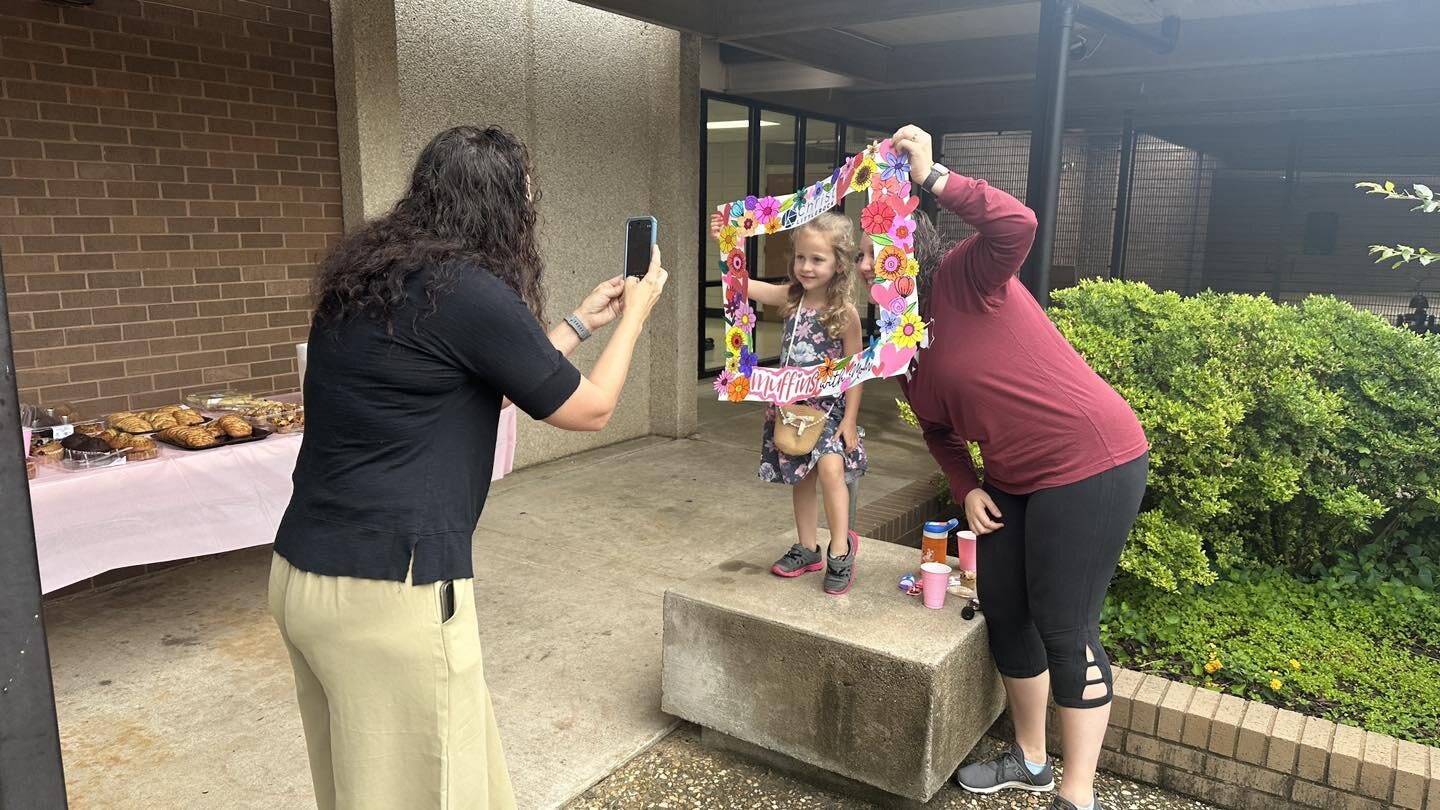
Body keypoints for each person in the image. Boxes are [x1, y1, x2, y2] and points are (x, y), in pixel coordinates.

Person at [268, 125, 668, 810]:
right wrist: (638, 314)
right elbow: (590, 409)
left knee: (385, 787)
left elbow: (492, 380)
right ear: (506, 208)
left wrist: (579, 323)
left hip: (304, 577)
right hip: (392, 592)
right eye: (529, 196)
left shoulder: (369, 283)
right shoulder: (470, 293)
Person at [884, 124, 1149, 810]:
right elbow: (938, 430)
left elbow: (1018, 222)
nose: (863, 264)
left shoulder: (967, 279)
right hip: (1010, 477)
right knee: (1004, 608)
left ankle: (1078, 794)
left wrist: (933, 175)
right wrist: (967, 486)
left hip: (1090, 460)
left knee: (1065, 626)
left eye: (871, 246)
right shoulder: (900, 346)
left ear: (908, 247)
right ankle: (1030, 761)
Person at [712, 210, 868, 594]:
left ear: (839, 263)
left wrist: (849, 420)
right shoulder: (790, 299)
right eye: (801, 257)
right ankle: (807, 547)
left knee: (831, 471)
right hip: (791, 410)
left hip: (828, 410)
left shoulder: (845, 314)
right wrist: (726, 241)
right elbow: (743, 284)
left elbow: (855, 372)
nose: (807, 266)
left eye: (818, 259)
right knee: (802, 477)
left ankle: (840, 547)